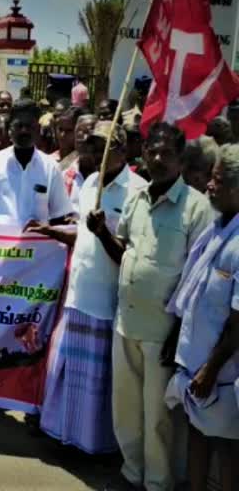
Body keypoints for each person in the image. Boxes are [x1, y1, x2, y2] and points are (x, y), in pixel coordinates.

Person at [87, 122, 213, 491]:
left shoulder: (196, 208)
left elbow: (198, 279)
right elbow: (122, 252)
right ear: (144, 154)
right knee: (126, 409)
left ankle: (158, 483)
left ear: (179, 159)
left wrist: (179, 330)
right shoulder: (136, 199)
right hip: (125, 321)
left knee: (158, 416)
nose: (158, 159)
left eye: (167, 154)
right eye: (153, 152)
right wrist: (101, 234)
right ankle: (132, 473)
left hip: (163, 333)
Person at [38, 121, 148, 455]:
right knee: (67, 373)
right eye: (91, 145)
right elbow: (82, 233)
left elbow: (129, 255)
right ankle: (62, 435)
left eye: (102, 146)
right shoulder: (88, 184)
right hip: (78, 294)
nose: (93, 151)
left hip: (105, 302)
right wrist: (51, 231)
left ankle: (94, 447)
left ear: (120, 150)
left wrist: (103, 233)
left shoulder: (136, 192)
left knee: (96, 384)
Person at [163, 143, 239, 491]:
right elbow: (192, 294)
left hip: (223, 370)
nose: (209, 185)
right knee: (197, 436)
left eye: (218, 180)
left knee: (227, 447)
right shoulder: (216, 227)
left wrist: (211, 370)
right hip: (196, 362)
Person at [0, 99, 74, 229]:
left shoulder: (51, 167)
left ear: (37, 129)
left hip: (36, 247)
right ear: (10, 129)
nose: (24, 131)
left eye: (29, 126)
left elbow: (58, 217)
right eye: (19, 126)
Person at [64, 113, 99, 210]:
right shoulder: (64, 173)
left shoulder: (107, 176)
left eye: (90, 132)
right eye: (80, 133)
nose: (85, 138)